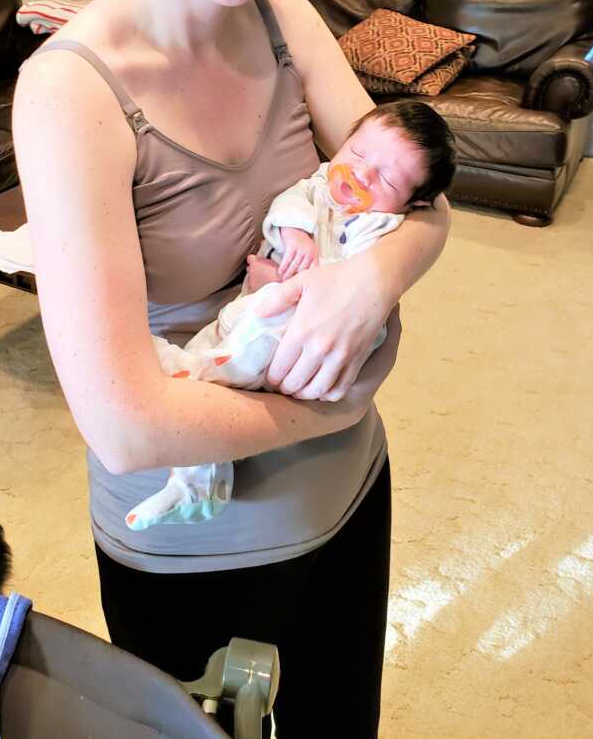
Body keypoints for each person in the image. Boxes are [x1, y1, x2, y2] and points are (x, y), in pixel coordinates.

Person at [12, 0, 451, 739]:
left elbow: (426, 198)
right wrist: (336, 402)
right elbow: (125, 422)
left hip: (351, 495)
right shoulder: (71, 95)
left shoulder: (285, 20)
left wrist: (369, 280)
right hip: (195, 547)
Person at [125, 99, 456, 532]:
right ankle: (197, 483)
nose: (362, 174)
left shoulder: (380, 227)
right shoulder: (319, 186)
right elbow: (289, 203)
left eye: (388, 179)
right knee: (217, 340)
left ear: (410, 205)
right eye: (358, 152)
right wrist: (293, 235)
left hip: (304, 336)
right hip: (249, 312)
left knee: (235, 355)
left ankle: (193, 381)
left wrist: (292, 281)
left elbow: (352, 294)